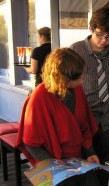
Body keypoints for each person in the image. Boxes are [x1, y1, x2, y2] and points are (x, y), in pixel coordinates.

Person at [17, 48, 100, 185]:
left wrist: (90, 152)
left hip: (78, 158)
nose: (82, 81)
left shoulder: (77, 90)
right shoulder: (40, 97)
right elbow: (31, 144)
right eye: (78, 78)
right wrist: (54, 164)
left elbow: (85, 127)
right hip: (53, 160)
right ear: (63, 78)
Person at [70, 7, 109, 186]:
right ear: (91, 28)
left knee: (106, 162)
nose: (103, 41)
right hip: (86, 115)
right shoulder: (76, 50)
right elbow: (69, 84)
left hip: (107, 116)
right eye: (100, 35)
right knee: (85, 163)